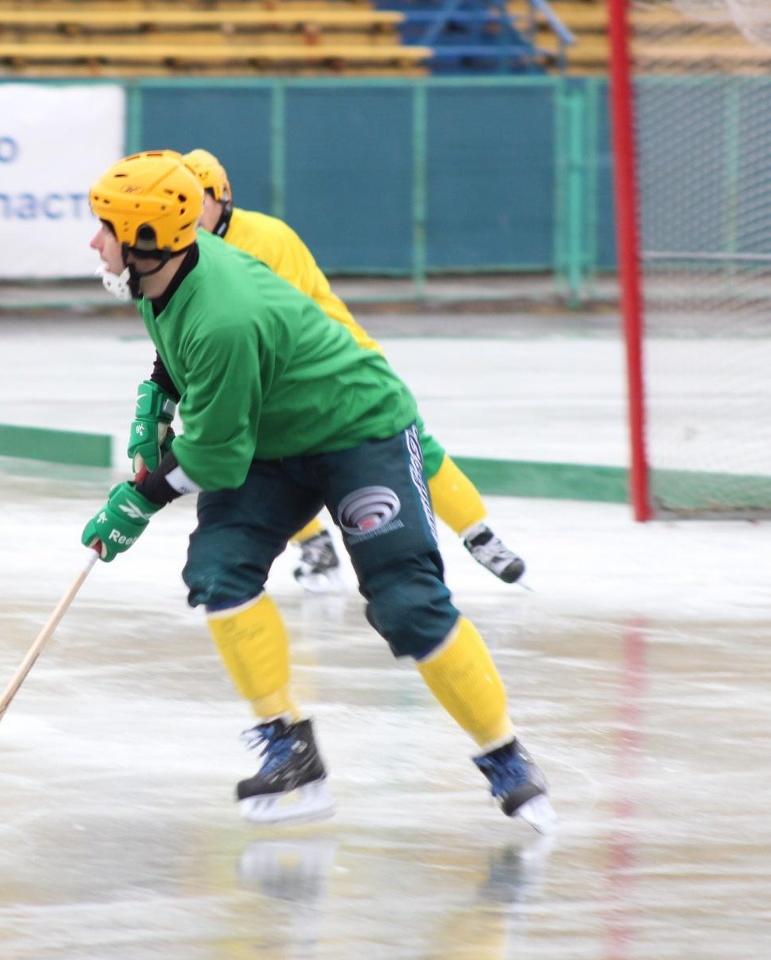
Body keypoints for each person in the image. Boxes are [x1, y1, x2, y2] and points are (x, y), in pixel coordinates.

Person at [81, 150, 554, 832]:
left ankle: (505, 756)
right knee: (219, 574)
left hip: (356, 428)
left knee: (407, 603)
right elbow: (175, 356)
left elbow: (213, 454)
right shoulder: (166, 275)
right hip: (270, 441)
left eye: (105, 228)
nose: (94, 241)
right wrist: (154, 400)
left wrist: (139, 500)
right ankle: (290, 750)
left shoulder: (224, 313)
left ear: (147, 240)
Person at [122, 146, 526, 594]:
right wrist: (160, 393)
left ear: (222, 198)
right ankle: (314, 541)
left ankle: (479, 534)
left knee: (415, 447)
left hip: (333, 368)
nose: (193, 212)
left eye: (202, 201)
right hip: (270, 375)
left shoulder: (263, 239)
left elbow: (283, 326)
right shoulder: (179, 252)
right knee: (258, 459)